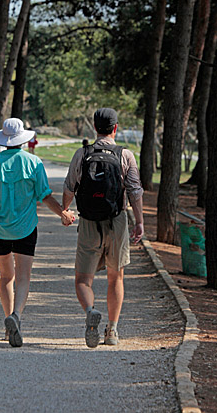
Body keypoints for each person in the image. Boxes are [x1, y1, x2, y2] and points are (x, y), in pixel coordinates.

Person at [0, 118, 75, 348]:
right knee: (23, 277)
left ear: (3, 140)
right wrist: (63, 213)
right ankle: (16, 316)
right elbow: (44, 195)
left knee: (6, 276)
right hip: (25, 230)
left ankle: (8, 325)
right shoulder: (33, 162)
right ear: (23, 139)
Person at [62, 108, 144, 348]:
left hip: (88, 222)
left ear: (95, 128)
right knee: (115, 276)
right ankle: (112, 331)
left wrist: (65, 212)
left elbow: (69, 187)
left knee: (82, 280)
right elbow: (135, 191)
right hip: (116, 221)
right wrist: (139, 222)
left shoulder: (82, 153)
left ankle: (90, 310)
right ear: (115, 128)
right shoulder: (125, 155)